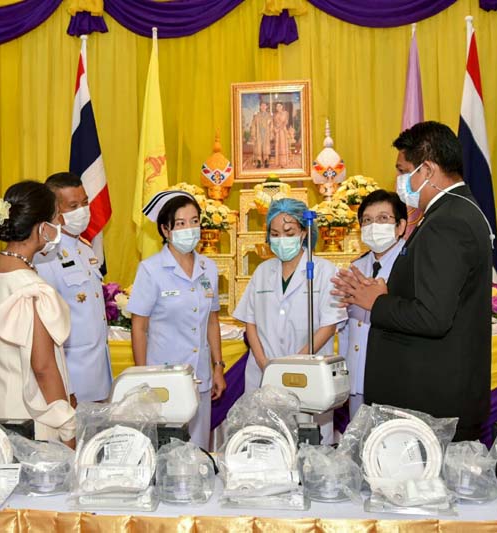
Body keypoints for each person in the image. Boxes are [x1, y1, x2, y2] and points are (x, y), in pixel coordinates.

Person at [332, 121, 493, 441]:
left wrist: (377, 303)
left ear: (428, 170)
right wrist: (388, 292)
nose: (400, 181)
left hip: (431, 403)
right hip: (433, 396)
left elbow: (433, 317)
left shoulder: (447, 222)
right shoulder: (454, 211)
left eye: (404, 171)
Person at [0, 181, 75, 445]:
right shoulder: (33, 289)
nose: (59, 224)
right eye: (55, 218)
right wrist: (67, 427)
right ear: (42, 228)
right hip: (32, 416)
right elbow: (43, 368)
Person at [127, 190, 226, 450]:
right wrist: (142, 377)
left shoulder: (208, 268)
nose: (189, 229)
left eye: (194, 221)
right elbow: (139, 327)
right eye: (180, 223)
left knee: (198, 447)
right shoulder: (151, 269)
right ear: (165, 230)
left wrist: (217, 366)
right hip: (163, 378)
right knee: (167, 449)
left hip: (200, 376)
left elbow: (212, 320)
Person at [233, 198, 347, 394]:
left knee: (306, 412)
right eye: (275, 234)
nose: (281, 240)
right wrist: (263, 362)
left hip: (308, 371)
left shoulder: (324, 271)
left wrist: (294, 363)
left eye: (289, 233)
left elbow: (328, 327)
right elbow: (250, 322)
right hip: (263, 371)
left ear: (304, 232)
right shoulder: (262, 271)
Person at [35, 172, 112, 402]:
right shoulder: (44, 256)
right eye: (73, 206)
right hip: (70, 377)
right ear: (54, 210)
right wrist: (61, 387)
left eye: (85, 202)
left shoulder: (86, 249)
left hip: (98, 372)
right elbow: (44, 327)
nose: (83, 211)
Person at [337, 190, 407, 418]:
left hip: (395, 377)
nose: (374, 226)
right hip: (358, 375)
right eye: (367, 220)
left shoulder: (410, 264)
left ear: (400, 226)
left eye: (383, 218)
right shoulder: (357, 267)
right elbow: (346, 328)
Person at [249, 100, 272, 168]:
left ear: (266, 107)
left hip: (266, 134)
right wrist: (253, 134)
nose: (263, 107)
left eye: (264, 106)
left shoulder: (269, 116)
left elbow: (271, 126)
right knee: (258, 148)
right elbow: (253, 125)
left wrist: (271, 134)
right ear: (260, 107)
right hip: (258, 134)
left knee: (266, 148)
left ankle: (266, 161)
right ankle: (259, 161)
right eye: (262, 106)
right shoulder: (256, 116)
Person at [272, 102, 290, 168]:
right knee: (277, 145)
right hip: (277, 132)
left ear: (282, 107)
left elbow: (286, 122)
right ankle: (278, 162)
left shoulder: (285, 113)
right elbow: (273, 123)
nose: (278, 107)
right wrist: (275, 129)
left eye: (279, 106)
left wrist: (280, 127)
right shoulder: (275, 115)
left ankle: (283, 163)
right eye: (277, 106)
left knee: (283, 146)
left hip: (283, 131)